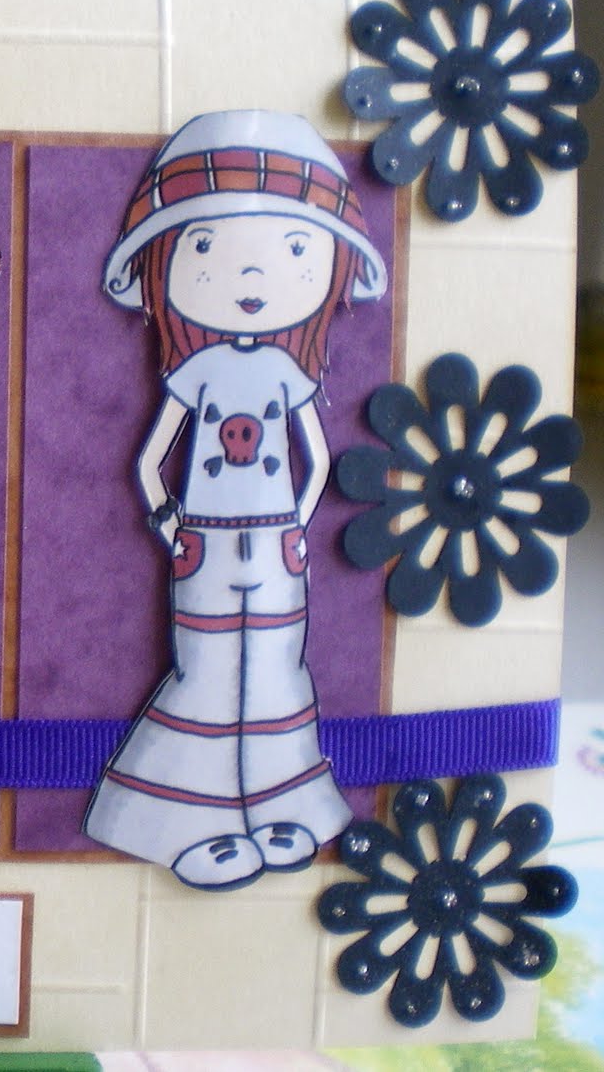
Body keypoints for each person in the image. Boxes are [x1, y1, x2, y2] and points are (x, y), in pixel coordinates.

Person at [83, 110, 388, 890]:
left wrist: (297, 524)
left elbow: (314, 459)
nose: (251, 277)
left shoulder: (291, 376)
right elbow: (151, 458)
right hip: (206, 542)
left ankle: (285, 804)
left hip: (276, 542)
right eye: (205, 248)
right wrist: (168, 522)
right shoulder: (195, 373)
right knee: (208, 667)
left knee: (279, 667)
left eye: (295, 249)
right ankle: (187, 818)